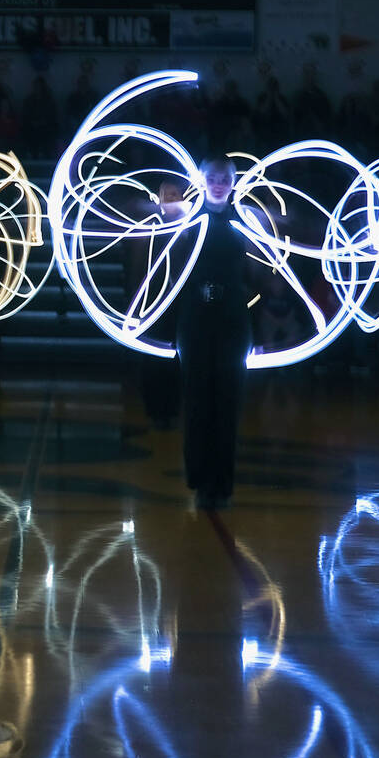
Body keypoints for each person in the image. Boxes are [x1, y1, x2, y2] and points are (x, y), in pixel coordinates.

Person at [176, 158, 252, 510]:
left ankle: (222, 483)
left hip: (233, 318)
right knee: (197, 399)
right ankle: (200, 479)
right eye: (212, 177)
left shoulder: (243, 220)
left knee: (227, 400)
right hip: (195, 317)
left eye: (225, 178)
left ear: (233, 182)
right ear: (201, 179)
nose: (218, 183)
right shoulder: (187, 217)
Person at [132, 178, 188, 429]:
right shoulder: (151, 228)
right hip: (153, 303)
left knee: (179, 356)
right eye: (168, 195)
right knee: (154, 358)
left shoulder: (191, 229)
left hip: (181, 303)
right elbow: (138, 268)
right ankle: (156, 410)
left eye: (176, 194)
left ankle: (173, 409)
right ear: (160, 200)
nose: (173, 199)